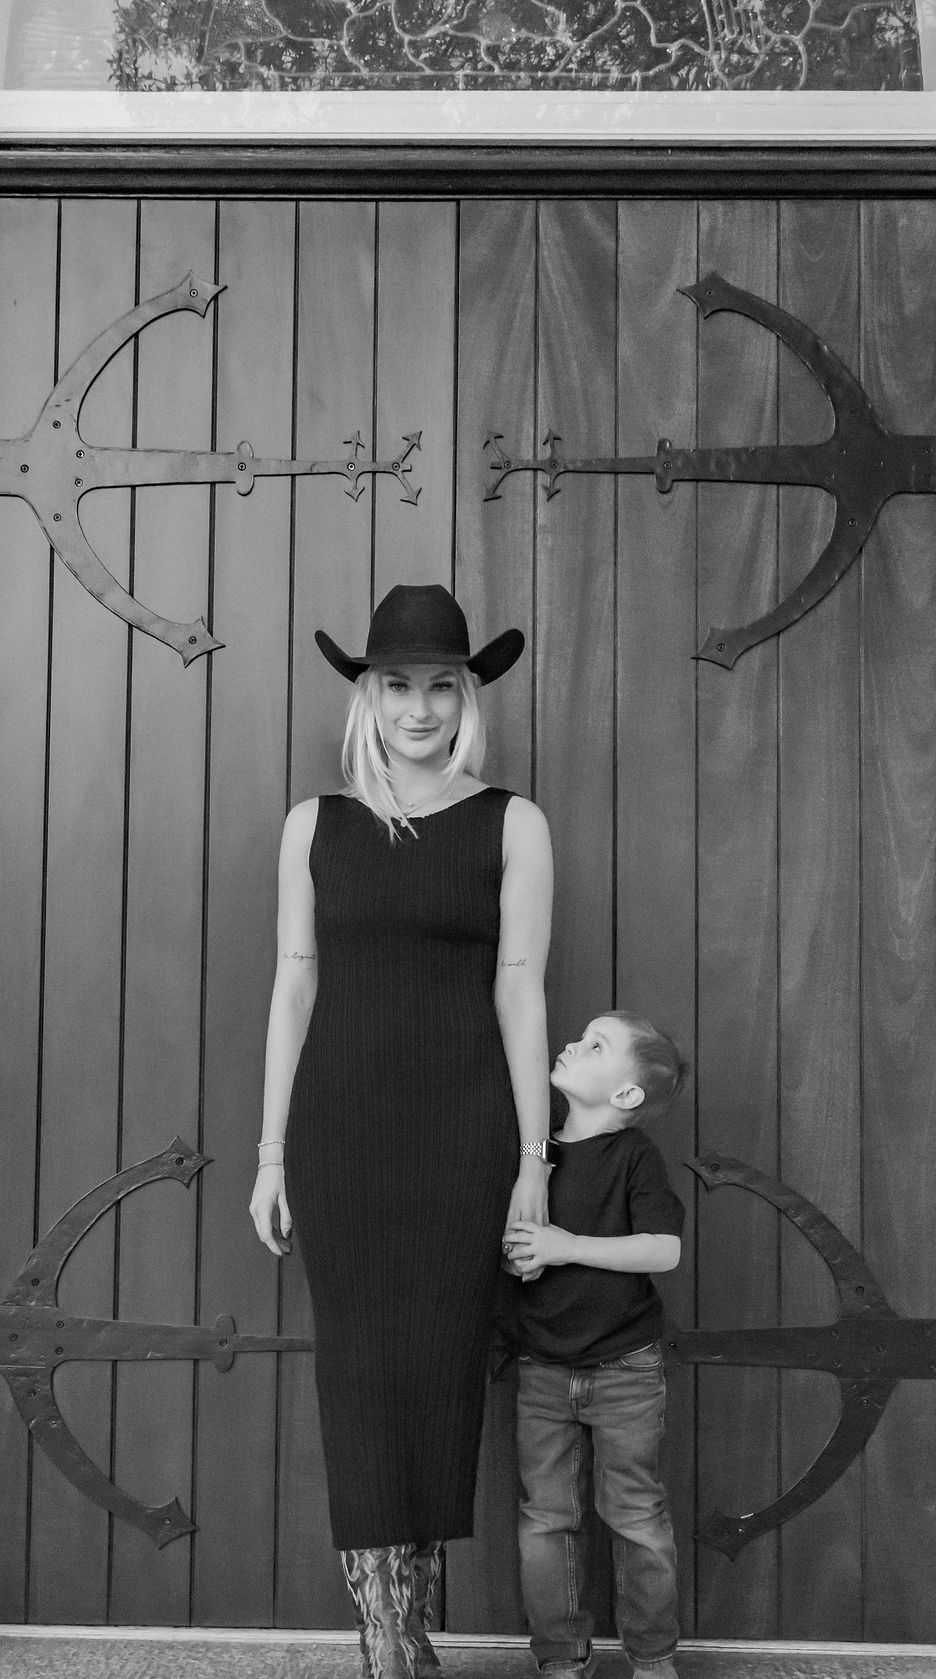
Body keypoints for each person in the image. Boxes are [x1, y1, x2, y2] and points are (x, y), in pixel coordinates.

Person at [249, 583, 554, 1679]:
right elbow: (293, 988)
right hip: (338, 1134)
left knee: (436, 1373)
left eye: (439, 685)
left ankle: (410, 1632)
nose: (417, 707)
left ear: (466, 696)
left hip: (465, 1136)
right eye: (396, 685)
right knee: (357, 1377)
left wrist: (531, 1159)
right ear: (367, 696)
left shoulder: (512, 822)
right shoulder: (312, 826)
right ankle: (385, 1638)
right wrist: (271, 1153)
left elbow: (522, 991)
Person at [503, 1011, 687, 1679]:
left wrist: (566, 1246)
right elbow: (516, 1245)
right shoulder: (534, 1156)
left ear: (627, 1095)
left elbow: (663, 1248)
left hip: (625, 1367)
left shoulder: (635, 1156)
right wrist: (522, 1257)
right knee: (547, 1519)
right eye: (583, 1034)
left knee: (636, 1514)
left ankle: (653, 1656)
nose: (575, 1043)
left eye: (597, 1044)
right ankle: (560, 1657)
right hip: (543, 1366)